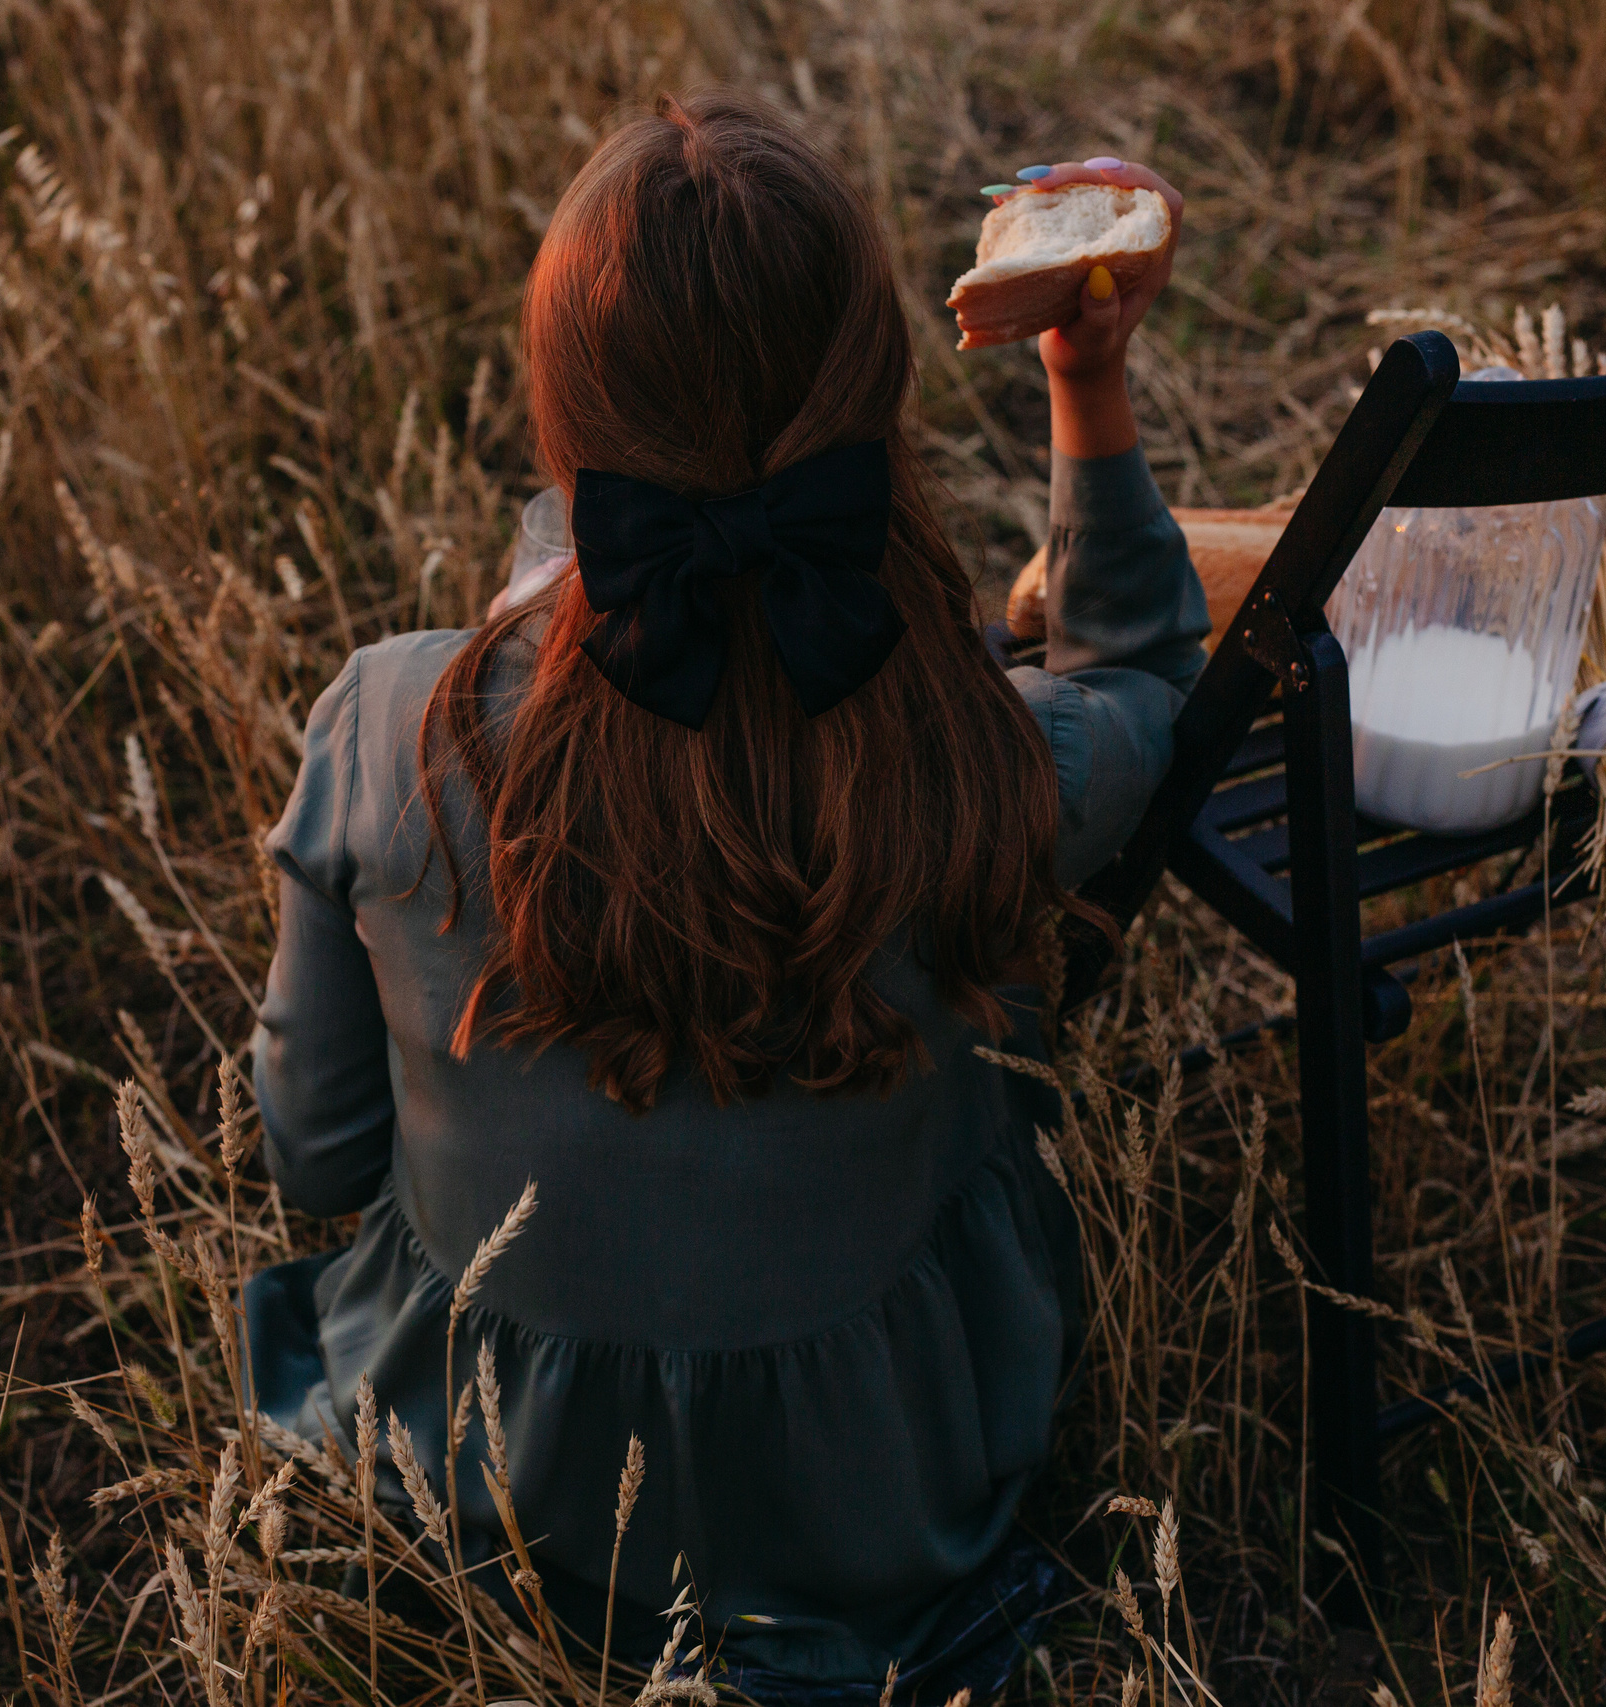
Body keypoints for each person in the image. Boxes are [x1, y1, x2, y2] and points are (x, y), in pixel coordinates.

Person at [244, 90, 1206, 1703]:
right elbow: (1147, 673)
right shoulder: (997, 762)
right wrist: (1086, 380)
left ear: (566, 425)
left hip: (481, 1492)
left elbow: (316, 1151)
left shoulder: (386, 723)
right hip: (871, 1508)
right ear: (872, 401)